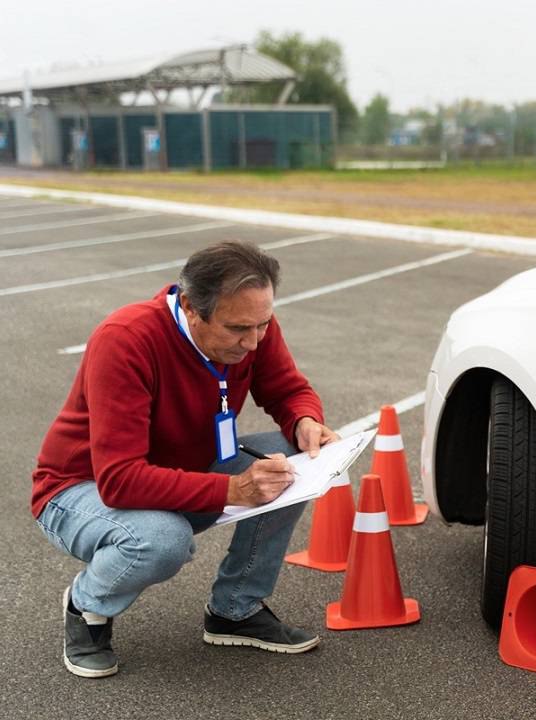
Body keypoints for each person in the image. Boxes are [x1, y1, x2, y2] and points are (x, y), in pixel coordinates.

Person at [31, 240, 339, 678]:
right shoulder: (125, 340)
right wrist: (234, 489)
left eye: (263, 325)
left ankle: (235, 610)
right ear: (192, 308)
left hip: (180, 471)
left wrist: (305, 421)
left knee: (290, 459)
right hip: (80, 489)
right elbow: (120, 480)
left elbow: (288, 390)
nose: (252, 342)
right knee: (163, 539)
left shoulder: (251, 324)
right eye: (238, 329)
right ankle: (87, 608)